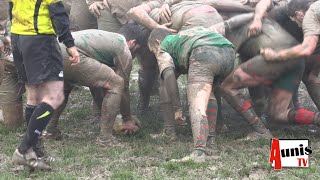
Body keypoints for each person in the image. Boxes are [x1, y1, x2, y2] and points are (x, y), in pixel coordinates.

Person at [47, 24, 149, 146]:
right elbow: (123, 88)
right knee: (117, 83)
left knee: (64, 90)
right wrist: (127, 118)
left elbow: (95, 83)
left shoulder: (106, 39)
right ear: (132, 42)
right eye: (136, 49)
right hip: (73, 53)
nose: (134, 54)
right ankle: (105, 138)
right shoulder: (123, 46)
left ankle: (50, 130)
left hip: (53, 51)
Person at [9, 0, 80, 171]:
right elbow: (57, 12)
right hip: (39, 39)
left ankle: (34, 151)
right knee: (55, 96)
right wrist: (69, 44)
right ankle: (24, 150)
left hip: (18, 36)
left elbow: (11, 7)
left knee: (33, 95)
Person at [262, 0, 320, 111]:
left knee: (309, 77)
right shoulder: (282, 15)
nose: (297, 24)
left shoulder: (311, 14)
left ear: (300, 14)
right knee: (308, 76)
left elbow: (307, 49)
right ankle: (291, 103)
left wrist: (276, 56)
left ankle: (289, 105)